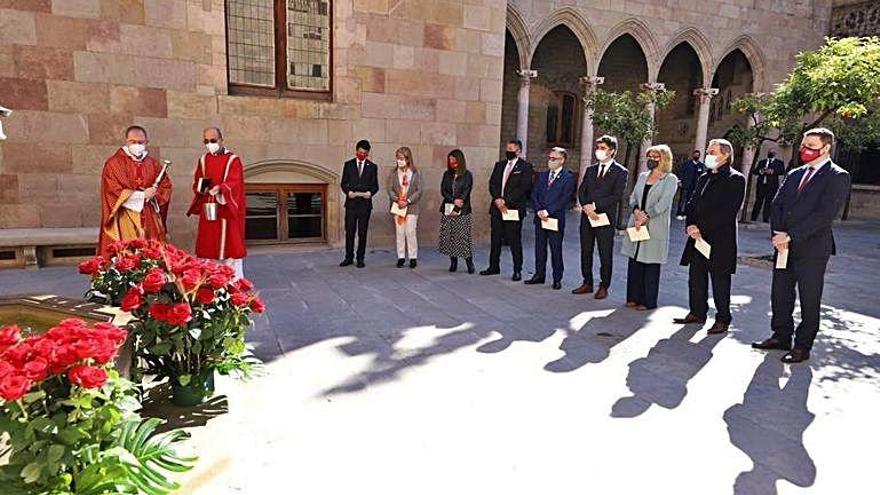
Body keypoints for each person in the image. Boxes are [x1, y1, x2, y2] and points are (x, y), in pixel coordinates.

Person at [752, 128, 851, 363]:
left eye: (811, 145)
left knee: (809, 297)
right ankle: (780, 335)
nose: (804, 149)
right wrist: (777, 233)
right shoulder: (795, 173)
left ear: (826, 148)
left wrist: (791, 235)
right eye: (803, 144)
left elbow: (825, 215)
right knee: (780, 293)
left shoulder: (837, 176)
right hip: (783, 245)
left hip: (813, 249)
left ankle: (802, 345)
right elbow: (776, 204)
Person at [674, 138, 745, 334]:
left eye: (712, 151)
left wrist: (701, 228)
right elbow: (692, 203)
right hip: (697, 238)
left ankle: (722, 318)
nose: (708, 155)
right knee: (696, 276)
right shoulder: (704, 177)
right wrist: (690, 224)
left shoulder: (735, 178)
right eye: (708, 151)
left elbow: (728, 211)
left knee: (720, 280)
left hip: (719, 239)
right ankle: (697, 312)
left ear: (726, 155)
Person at [98, 125, 172, 259]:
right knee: (129, 256)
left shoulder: (153, 164)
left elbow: (165, 186)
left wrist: (155, 194)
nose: (137, 145)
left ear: (147, 142)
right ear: (126, 141)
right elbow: (112, 189)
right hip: (125, 217)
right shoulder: (114, 164)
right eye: (133, 142)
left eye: (141, 142)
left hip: (149, 217)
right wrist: (142, 195)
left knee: (152, 255)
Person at [621, 145, 679, 310]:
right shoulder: (642, 176)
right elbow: (633, 198)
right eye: (650, 156)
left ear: (664, 159)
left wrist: (646, 215)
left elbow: (664, 204)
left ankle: (647, 301)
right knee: (635, 260)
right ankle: (632, 297)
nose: (652, 159)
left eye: (656, 157)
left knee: (650, 263)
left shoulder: (670, 179)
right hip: (637, 223)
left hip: (654, 225)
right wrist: (637, 212)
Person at [186, 127, 247, 279]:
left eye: (213, 140)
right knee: (208, 245)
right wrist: (202, 188)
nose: (209, 144)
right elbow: (197, 181)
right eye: (206, 141)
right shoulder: (203, 160)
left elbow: (236, 182)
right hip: (210, 208)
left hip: (227, 209)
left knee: (230, 246)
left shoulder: (233, 160)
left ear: (221, 140)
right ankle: (209, 281)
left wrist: (221, 189)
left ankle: (234, 282)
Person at [572, 135, 628, 299]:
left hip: (605, 218)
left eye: (602, 148)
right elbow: (582, 190)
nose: (599, 151)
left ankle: (604, 286)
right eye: (598, 148)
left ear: (611, 151)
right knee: (586, 251)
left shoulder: (620, 172)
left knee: (605, 253)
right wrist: (586, 206)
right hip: (587, 217)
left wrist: (595, 206)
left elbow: (616, 195)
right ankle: (587, 282)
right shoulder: (590, 170)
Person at [481, 140, 533, 281]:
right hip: (497, 208)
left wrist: (506, 201)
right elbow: (492, 183)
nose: (508, 151)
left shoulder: (525, 167)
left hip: (513, 209)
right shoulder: (500, 165)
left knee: (514, 239)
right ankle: (493, 266)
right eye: (507, 148)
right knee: (496, 238)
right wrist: (497, 199)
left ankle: (517, 269)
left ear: (518, 151)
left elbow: (524, 187)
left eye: (511, 149)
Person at [525, 147, 576, 290]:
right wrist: (539, 210)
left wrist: (548, 211)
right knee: (539, 248)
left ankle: (557, 278)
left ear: (562, 160)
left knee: (555, 249)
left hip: (554, 219)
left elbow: (564, 199)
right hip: (540, 217)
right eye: (550, 158)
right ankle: (539, 275)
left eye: (554, 158)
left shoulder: (568, 178)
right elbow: (534, 194)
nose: (551, 161)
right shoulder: (542, 175)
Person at [340, 140, 379, 268]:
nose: (363, 155)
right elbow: (343, 183)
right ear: (356, 151)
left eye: (365, 153)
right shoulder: (349, 165)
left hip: (365, 205)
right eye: (361, 152)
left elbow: (375, 186)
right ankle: (348, 257)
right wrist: (348, 192)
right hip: (351, 204)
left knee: (362, 232)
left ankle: (360, 258)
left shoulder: (372, 167)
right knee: (350, 231)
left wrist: (370, 193)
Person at [438, 149, 475, 274]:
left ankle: (469, 262)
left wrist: (458, 206)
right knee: (450, 237)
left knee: (463, 237)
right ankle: (453, 261)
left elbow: (466, 191)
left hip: (463, 210)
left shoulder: (467, 175)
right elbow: (443, 191)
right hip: (448, 208)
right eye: (450, 160)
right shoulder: (447, 174)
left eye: (453, 159)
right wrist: (453, 200)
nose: (451, 162)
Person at [387, 147, 422, 269]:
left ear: (408, 159)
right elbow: (390, 189)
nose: (399, 161)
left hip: (411, 206)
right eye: (397, 158)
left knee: (410, 231)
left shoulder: (415, 172)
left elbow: (419, 190)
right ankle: (401, 256)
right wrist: (397, 199)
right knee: (400, 232)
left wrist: (407, 201)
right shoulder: (393, 173)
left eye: (401, 158)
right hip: (398, 206)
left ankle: (413, 257)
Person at [749, 149, 785, 223]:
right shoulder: (762, 162)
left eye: (772, 152)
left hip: (772, 186)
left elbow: (782, 171)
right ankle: (753, 217)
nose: (771, 153)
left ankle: (765, 218)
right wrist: (761, 171)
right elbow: (755, 171)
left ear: (775, 154)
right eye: (770, 152)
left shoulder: (779, 163)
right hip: (761, 185)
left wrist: (772, 172)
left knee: (768, 203)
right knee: (758, 201)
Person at [676, 150, 705, 220]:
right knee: (682, 200)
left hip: (694, 186)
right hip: (686, 185)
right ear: (693, 155)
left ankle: (685, 213)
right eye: (695, 155)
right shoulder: (687, 164)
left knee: (689, 201)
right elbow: (681, 172)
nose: (696, 156)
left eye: (698, 155)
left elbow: (702, 176)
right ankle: (679, 213)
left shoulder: (701, 165)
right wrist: (680, 181)